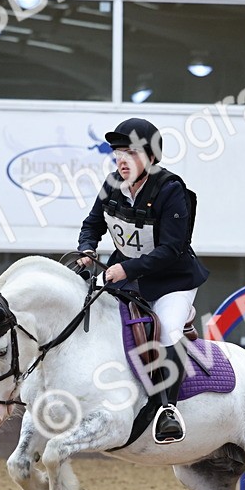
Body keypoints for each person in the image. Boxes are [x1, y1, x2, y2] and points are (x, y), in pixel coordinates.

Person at [76, 118, 209, 444]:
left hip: (172, 279)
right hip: (127, 275)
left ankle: (167, 410)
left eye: (131, 153)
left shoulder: (170, 190)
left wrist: (126, 270)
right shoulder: (111, 185)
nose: (121, 160)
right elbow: (92, 225)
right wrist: (87, 250)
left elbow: (171, 249)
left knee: (166, 328)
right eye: (118, 152)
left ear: (150, 157)